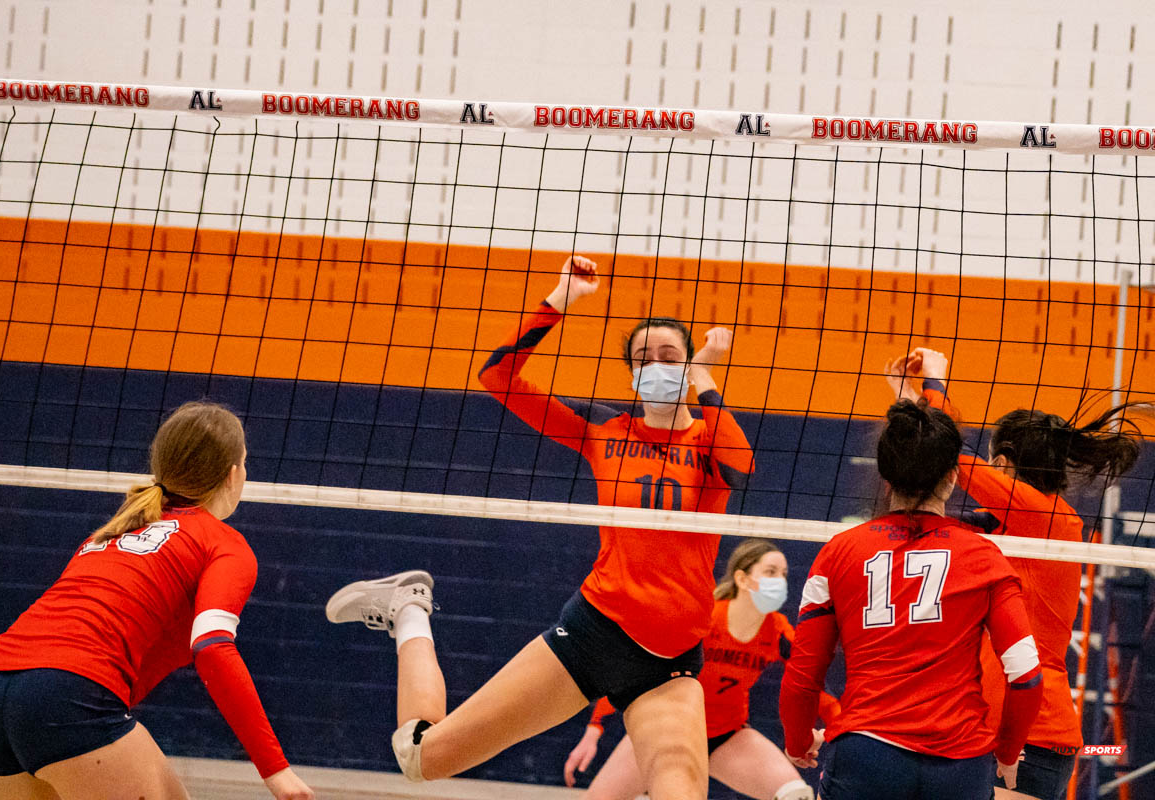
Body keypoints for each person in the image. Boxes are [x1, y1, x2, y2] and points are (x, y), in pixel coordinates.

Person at [325, 255, 755, 800]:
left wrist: (705, 380)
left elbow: (742, 469)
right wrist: (560, 299)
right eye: (644, 358)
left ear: (688, 365)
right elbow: (497, 377)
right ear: (630, 373)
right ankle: (410, 609)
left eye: (669, 356)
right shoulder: (604, 431)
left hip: (670, 663)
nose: (657, 366)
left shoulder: (709, 442)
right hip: (595, 634)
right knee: (423, 758)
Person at [0, 402, 313, 800]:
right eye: (245, 463)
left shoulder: (108, 534)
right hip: (66, 695)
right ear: (233, 474)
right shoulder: (223, 543)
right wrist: (276, 771)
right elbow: (212, 647)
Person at [887, 347, 1144, 800]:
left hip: (1032, 734)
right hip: (993, 730)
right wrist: (908, 402)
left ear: (1003, 464)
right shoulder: (1017, 526)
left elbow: (953, 459)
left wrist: (935, 383)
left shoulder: (1046, 518)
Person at [779, 399, 1044, 800]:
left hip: (866, 753)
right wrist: (1007, 754)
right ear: (953, 477)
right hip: (960, 764)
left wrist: (798, 743)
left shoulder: (838, 552)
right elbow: (1026, 676)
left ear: (886, 478)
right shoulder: (984, 557)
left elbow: (802, 677)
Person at [563, 538, 838, 800]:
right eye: (770, 571)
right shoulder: (705, 619)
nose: (780, 580)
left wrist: (842, 725)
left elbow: (809, 683)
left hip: (726, 738)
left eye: (783, 573)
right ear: (742, 579)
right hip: (667, 732)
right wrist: (595, 727)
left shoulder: (776, 630)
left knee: (795, 793)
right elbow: (636, 669)